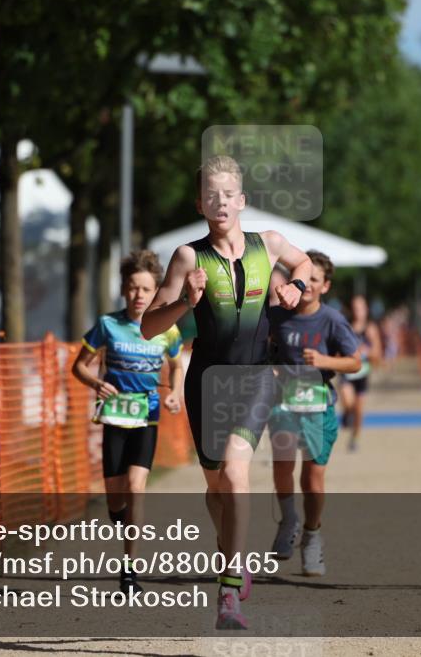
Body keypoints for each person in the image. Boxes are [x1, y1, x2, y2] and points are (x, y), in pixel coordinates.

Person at [141, 155, 311, 630]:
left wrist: (296, 286)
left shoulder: (269, 243)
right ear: (200, 203)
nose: (220, 202)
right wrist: (183, 302)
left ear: (242, 200)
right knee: (215, 486)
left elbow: (303, 263)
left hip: (257, 376)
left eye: (227, 194)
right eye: (210, 194)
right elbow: (150, 326)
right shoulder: (187, 257)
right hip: (207, 381)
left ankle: (229, 588)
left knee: (236, 475)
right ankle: (235, 557)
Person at [72, 250, 184, 595]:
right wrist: (95, 383)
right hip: (114, 418)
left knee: (136, 488)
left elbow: (178, 365)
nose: (139, 295)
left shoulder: (166, 329)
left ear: (156, 293)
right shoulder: (108, 325)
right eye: (133, 288)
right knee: (116, 500)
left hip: (147, 417)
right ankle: (120, 516)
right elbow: (79, 366)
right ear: (124, 290)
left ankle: (130, 571)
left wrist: (175, 393)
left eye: (146, 289)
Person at [266, 251, 360, 576]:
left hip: (318, 405)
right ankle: (288, 518)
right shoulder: (276, 316)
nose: (306, 285)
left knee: (312, 479)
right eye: (302, 279)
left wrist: (325, 361)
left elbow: (355, 361)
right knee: (282, 463)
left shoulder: (332, 320)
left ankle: (312, 535)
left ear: (325, 286)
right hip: (282, 403)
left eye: (314, 280)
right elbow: (261, 350)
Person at [338, 294, 382, 451]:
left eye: (361, 308)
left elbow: (377, 353)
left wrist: (367, 352)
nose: (358, 311)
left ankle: (355, 437)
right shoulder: (345, 326)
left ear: (366, 309)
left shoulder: (370, 328)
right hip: (347, 372)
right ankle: (346, 413)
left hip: (362, 373)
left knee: (359, 409)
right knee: (348, 401)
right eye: (355, 308)